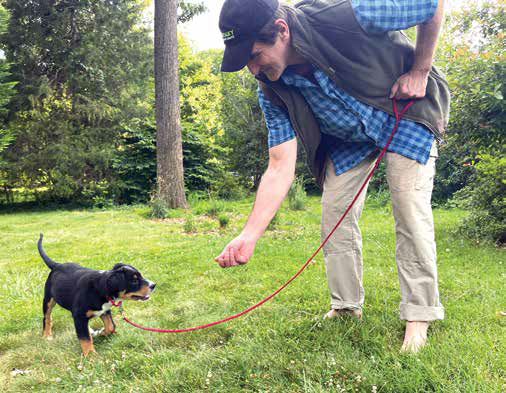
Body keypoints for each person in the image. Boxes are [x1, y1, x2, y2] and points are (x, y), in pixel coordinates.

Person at [215, 0, 449, 352]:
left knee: (407, 205)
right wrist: (249, 235)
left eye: (255, 55)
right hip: (347, 140)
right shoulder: (271, 88)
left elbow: (432, 6)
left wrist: (420, 70)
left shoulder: (345, 15)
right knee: (334, 212)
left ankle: (419, 313)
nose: (253, 69)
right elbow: (280, 164)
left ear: (281, 30)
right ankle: (345, 306)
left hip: (406, 114)